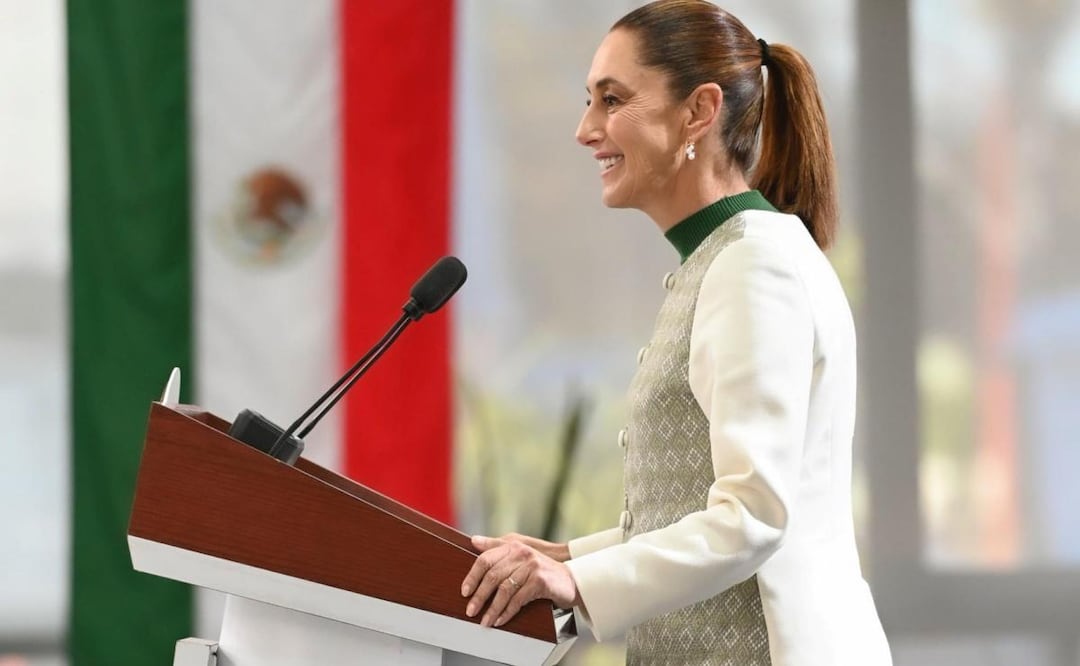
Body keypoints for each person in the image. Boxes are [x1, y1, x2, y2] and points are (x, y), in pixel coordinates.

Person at [459, 1, 892, 663]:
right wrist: (566, 557)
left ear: (699, 111)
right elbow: (702, 506)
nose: (585, 129)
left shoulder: (752, 264)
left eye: (612, 99)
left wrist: (577, 580)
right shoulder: (732, 254)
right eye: (589, 100)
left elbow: (753, 514)